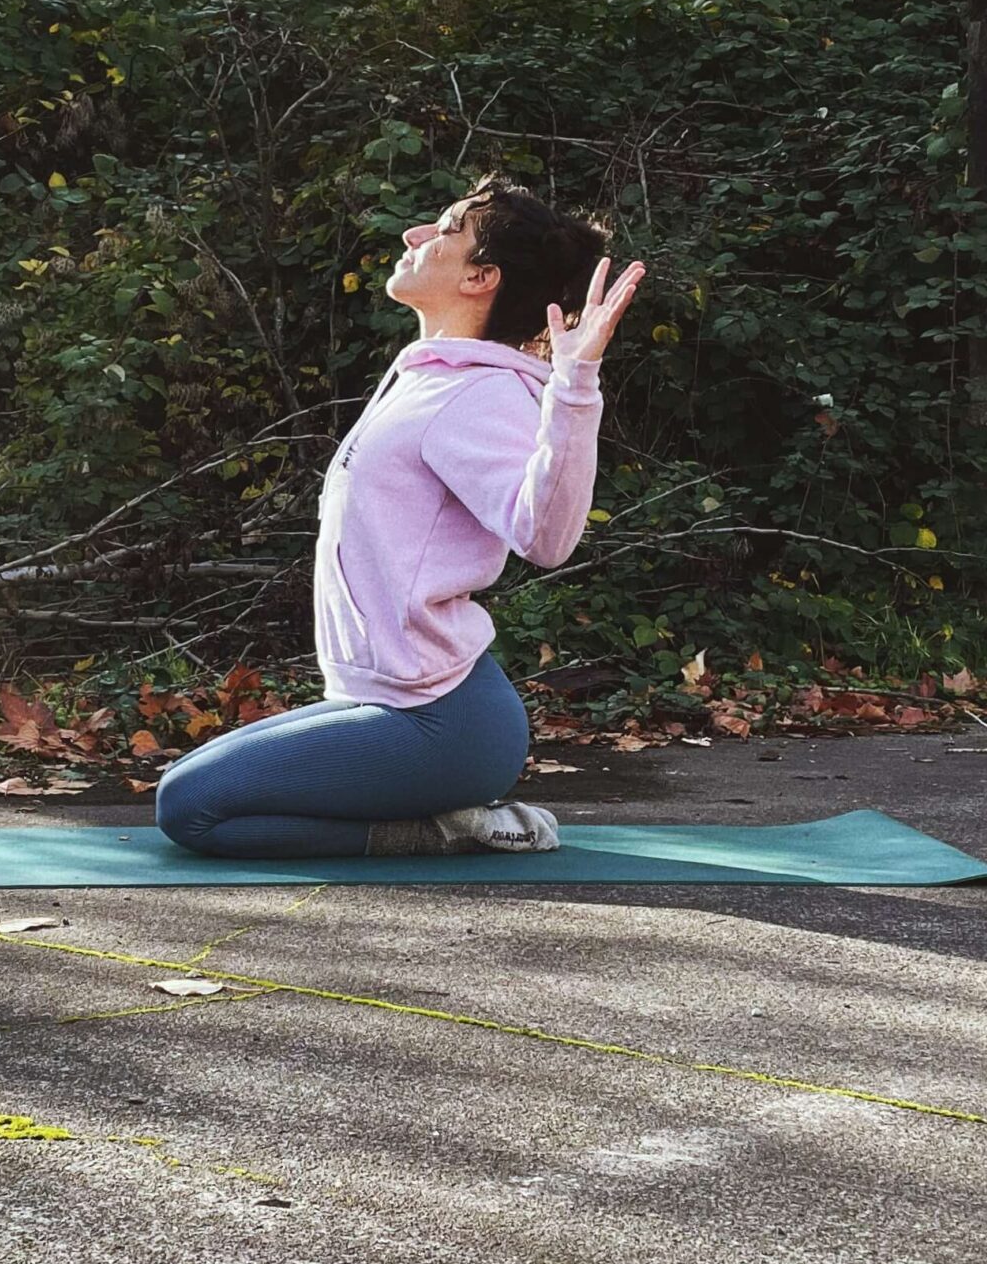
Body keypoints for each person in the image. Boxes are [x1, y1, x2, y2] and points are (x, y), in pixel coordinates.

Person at [156, 175, 645, 859]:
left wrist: (574, 388)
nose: (415, 236)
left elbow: (545, 538)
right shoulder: (428, 377)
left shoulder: (480, 392)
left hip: (439, 721)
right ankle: (449, 813)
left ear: (480, 277)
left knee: (190, 811)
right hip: (393, 705)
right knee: (180, 785)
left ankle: (447, 826)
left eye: (445, 229)